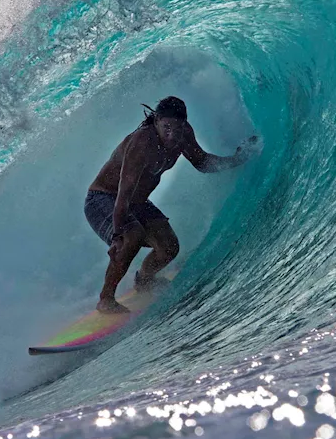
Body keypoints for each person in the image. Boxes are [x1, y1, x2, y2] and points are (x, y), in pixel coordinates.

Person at [84, 96, 256, 313]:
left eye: (178, 127)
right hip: (104, 199)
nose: (172, 134)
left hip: (136, 202)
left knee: (168, 247)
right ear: (156, 121)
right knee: (132, 235)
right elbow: (123, 195)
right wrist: (118, 236)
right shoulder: (141, 143)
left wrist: (234, 160)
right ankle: (105, 300)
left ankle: (144, 281)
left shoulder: (183, 135)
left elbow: (202, 163)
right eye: (166, 127)